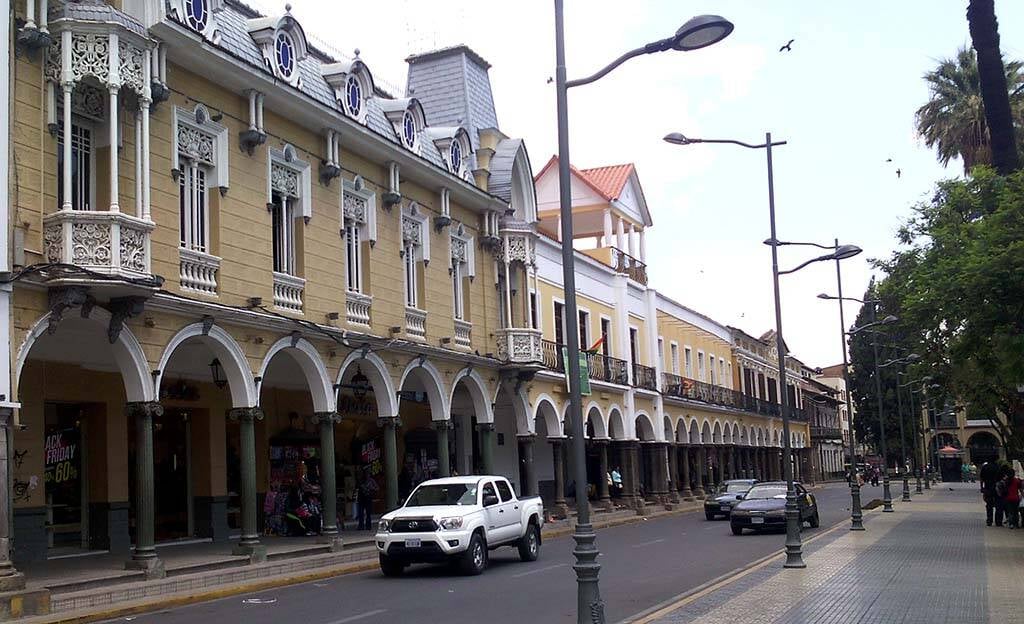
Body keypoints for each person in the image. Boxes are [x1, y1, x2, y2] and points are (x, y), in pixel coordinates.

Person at [980, 460, 1002, 526]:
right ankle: (998, 521)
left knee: (989, 505)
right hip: (997, 488)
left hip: (988, 488)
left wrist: (982, 487)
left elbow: (981, 478)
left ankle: (989, 520)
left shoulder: (985, 467)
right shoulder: (998, 467)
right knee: (998, 505)